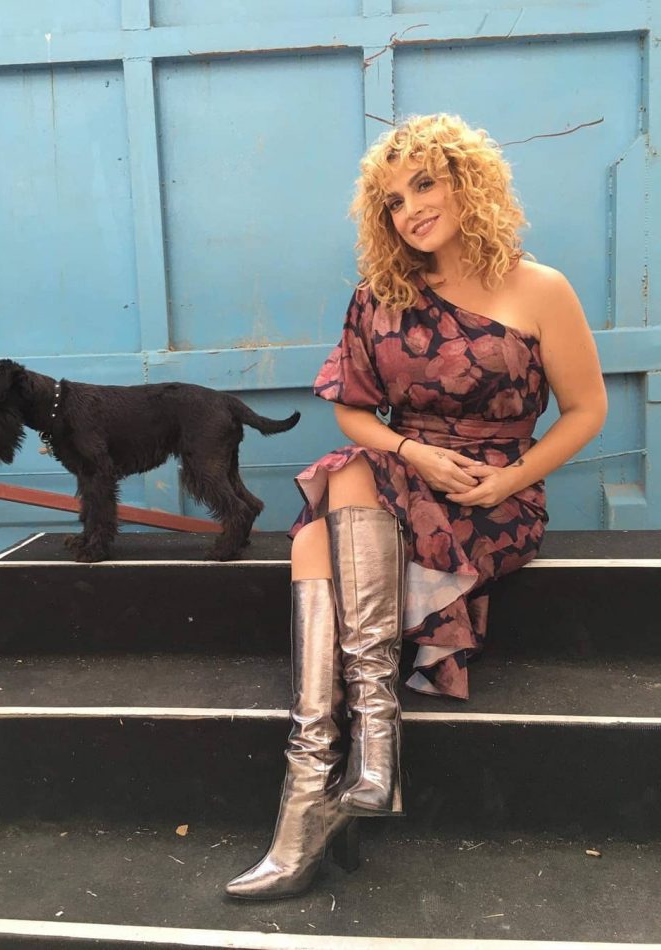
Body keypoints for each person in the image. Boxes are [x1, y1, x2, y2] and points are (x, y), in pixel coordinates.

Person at [225, 113, 607, 900]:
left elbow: (586, 410)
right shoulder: (380, 297)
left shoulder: (541, 288)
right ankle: (346, 763)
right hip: (402, 471)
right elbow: (354, 412)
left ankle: (336, 780)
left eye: (424, 185)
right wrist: (413, 450)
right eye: (393, 201)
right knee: (345, 479)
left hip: (490, 494)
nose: (410, 210)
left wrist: (509, 479)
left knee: (321, 523)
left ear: (469, 184)